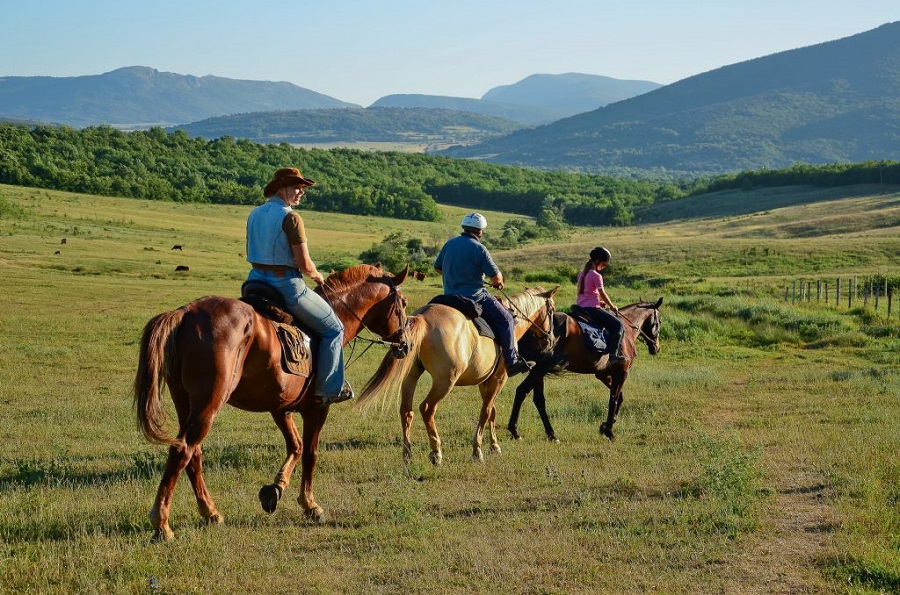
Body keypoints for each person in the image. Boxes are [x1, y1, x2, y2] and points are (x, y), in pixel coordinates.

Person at [245, 167, 353, 405]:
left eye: (302, 189)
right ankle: (330, 389)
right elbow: (304, 263)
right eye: (297, 187)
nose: (301, 192)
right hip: (286, 285)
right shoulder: (291, 217)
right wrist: (317, 276)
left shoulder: (254, 213)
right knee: (334, 329)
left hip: (254, 282)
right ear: (282, 188)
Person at [433, 212, 534, 376]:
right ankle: (511, 362)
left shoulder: (449, 244)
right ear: (480, 231)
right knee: (507, 319)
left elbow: (437, 268)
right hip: (475, 296)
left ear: (464, 228)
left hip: (449, 295)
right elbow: (495, 277)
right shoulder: (479, 248)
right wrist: (498, 282)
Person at [574, 246, 627, 364]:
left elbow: (584, 294)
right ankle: (614, 355)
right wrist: (612, 306)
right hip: (592, 309)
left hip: (581, 308)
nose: (603, 267)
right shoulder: (596, 276)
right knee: (619, 326)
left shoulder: (581, 274)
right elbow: (602, 293)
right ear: (597, 262)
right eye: (603, 264)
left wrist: (599, 302)